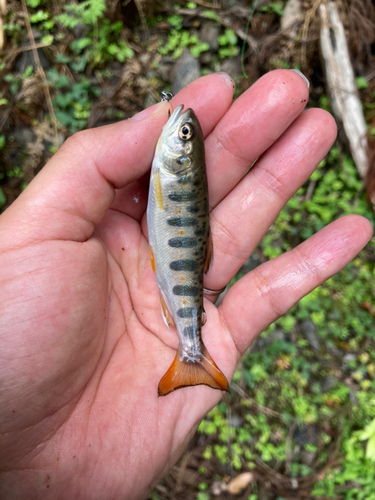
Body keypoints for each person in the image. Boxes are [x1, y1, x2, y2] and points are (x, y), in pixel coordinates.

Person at [0, 70, 372, 499]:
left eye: (184, 131)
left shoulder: (170, 160)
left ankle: (190, 354)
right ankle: (191, 351)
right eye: (186, 131)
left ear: (180, 152)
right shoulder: (170, 158)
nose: (182, 125)